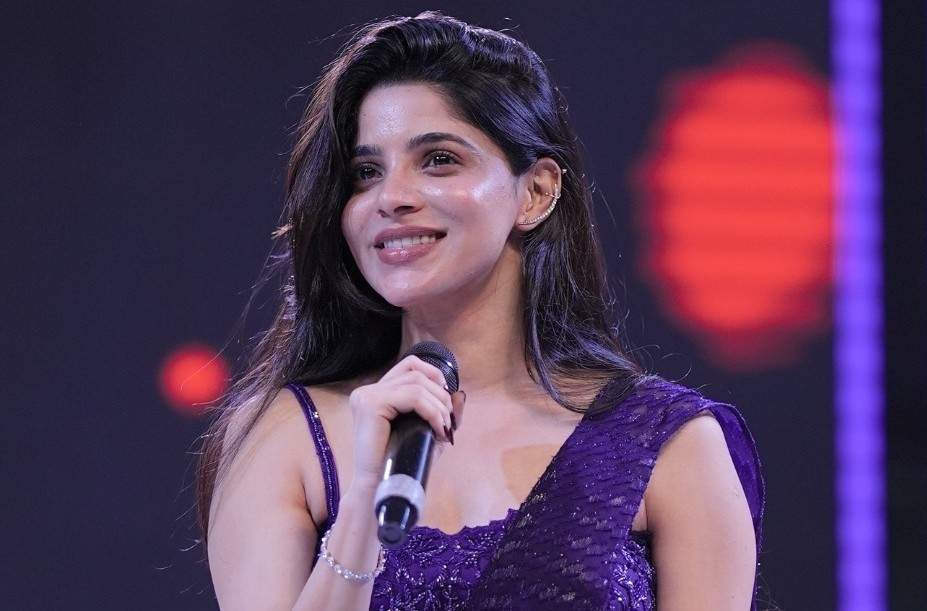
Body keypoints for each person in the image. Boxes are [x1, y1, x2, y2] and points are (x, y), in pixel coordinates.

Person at [197, 11, 765, 610]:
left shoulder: (670, 443)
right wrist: (363, 500)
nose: (391, 198)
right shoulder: (284, 436)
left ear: (536, 192)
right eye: (365, 173)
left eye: (439, 159)